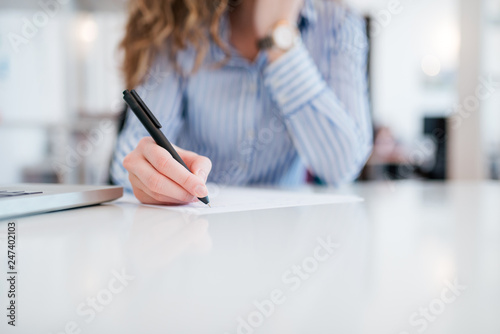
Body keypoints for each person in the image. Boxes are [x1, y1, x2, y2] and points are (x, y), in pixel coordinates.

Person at [110, 0, 373, 205]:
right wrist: (148, 172)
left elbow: (342, 167)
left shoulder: (339, 24)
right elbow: (130, 156)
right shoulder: (177, 22)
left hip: (287, 241)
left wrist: (279, 40)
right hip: (190, 232)